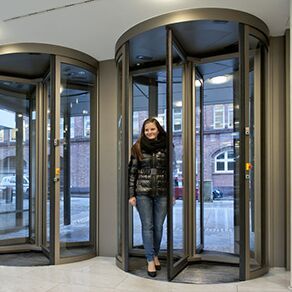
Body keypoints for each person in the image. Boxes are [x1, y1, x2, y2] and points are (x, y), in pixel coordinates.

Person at [128, 117, 168, 277]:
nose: (149, 132)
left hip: (162, 192)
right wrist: (131, 194)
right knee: (148, 226)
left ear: (158, 129)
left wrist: (172, 193)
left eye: (152, 129)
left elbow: (171, 170)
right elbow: (132, 172)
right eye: (146, 130)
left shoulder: (166, 146)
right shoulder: (137, 147)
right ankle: (150, 259)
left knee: (158, 227)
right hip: (142, 192)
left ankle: (155, 253)